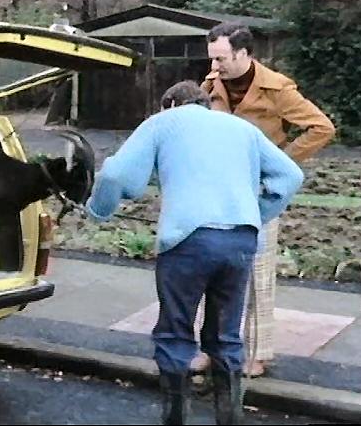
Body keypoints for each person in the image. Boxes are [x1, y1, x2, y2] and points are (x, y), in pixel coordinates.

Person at [85, 81, 303, 425]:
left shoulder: (164, 122)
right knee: (226, 336)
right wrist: (255, 213)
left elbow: (115, 173)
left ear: (169, 104)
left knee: (175, 333)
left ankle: (175, 419)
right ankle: (229, 418)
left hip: (188, 241)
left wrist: (98, 210)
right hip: (240, 240)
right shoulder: (242, 128)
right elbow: (291, 174)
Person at [199, 23, 335, 377]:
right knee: (212, 268)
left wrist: (282, 162)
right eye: (212, 58)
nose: (215, 66)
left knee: (258, 271)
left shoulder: (277, 88)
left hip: (260, 192)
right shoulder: (211, 84)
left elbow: (322, 127)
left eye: (222, 58)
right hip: (218, 187)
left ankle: (258, 354)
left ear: (244, 54)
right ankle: (211, 348)